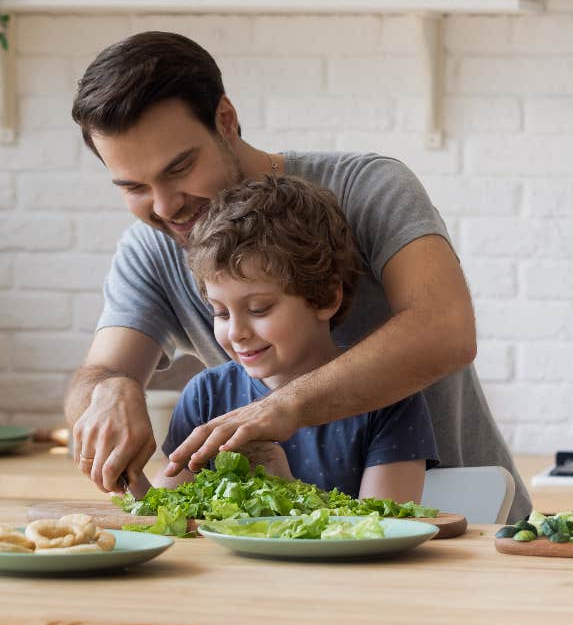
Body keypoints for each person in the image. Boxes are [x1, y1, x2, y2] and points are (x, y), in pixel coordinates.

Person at [65, 30, 531, 522]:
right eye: (133, 186)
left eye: (179, 167)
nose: (164, 206)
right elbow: (98, 375)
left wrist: (283, 407)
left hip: (467, 529)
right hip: (280, 545)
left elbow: (446, 331)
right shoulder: (150, 250)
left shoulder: (368, 188)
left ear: (226, 120)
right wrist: (109, 392)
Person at [130, 173, 438, 502]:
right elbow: (164, 511)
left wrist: (287, 489)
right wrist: (130, 476)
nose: (236, 333)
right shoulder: (206, 395)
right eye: (220, 312)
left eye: (259, 309)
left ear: (324, 298)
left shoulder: (387, 398)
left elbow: (386, 529)